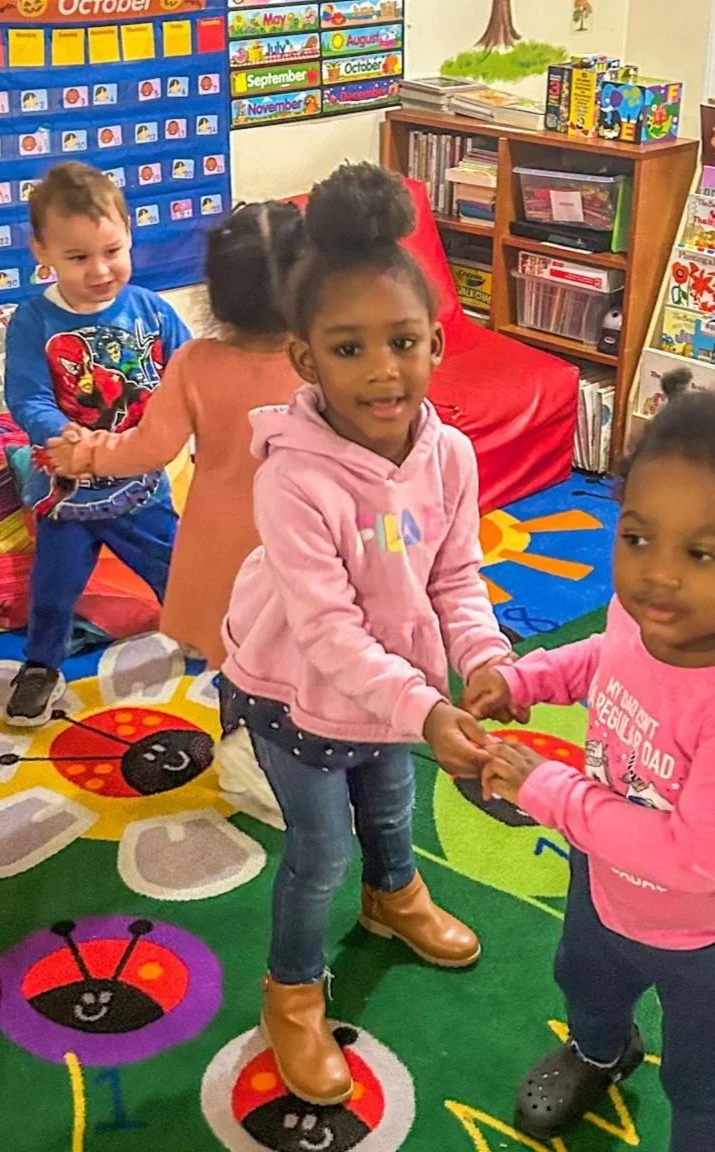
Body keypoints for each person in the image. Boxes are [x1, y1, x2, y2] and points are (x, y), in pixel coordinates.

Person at [219, 162, 511, 1106]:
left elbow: (457, 576)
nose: (383, 370)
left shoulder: (451, 455)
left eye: (403, 342)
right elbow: (330, 632)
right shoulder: (292, 478)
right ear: (305, 359)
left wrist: (483, 662)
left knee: (390, 812)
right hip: (295, 687)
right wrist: (426, 709)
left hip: (401, 692)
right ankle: (293, 991)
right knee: (320, 852)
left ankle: (396, 902)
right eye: (349, 350)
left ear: (434, 339)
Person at [465, 390, 715, 1152]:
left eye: (701, 553)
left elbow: (693, 860)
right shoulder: (645, 612)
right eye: (637, 539)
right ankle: (600, 1051)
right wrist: (527, 680)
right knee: (587, 986)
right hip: (608, 880)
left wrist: (545, 788)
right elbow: (605, 660)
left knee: (708, 1079)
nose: (657, 576)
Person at [45, 201, 304, 670]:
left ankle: (242, 730)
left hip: (223, 545)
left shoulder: (195, 362)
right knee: (311, 644)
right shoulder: (331, 362)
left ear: (217, 295)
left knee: (237, 652)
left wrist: (85, 454)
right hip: (312, 538)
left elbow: (149, 448)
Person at [3, 160, 191, 726]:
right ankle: (41, 666)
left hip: (141, 482)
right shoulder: (33, 322)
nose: (100, 269)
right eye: (78, 258)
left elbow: (189, 379)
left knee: (178, 567)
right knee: (53, 590)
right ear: (42, 252)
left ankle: (205, 633)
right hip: (68, 491)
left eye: (112, 250)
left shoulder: (153, 311)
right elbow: (28, 397)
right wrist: (61, 432)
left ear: (130, 234)